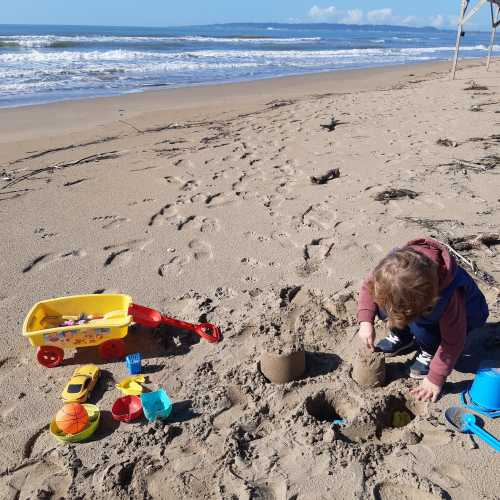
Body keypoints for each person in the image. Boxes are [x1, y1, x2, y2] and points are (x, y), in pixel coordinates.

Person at [357, 237, 489, 402]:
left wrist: (435, 378)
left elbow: (453, 341)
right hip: (420, 305)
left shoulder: (448, 297)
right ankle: (402, 337)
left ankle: (429, 350)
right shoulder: (389, 269)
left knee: (424, 330)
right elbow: (367, 288)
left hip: (467, 317)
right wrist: (365, 321)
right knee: (384, 306)